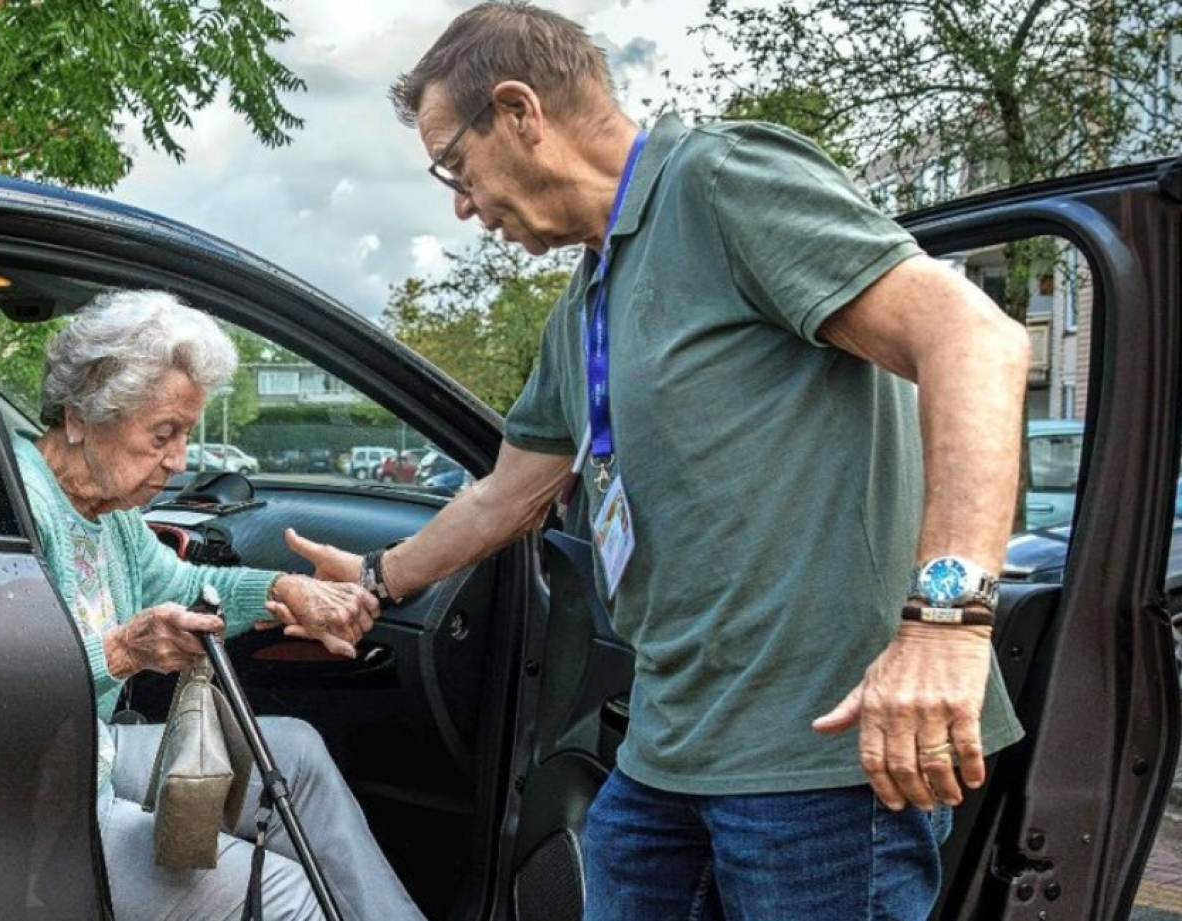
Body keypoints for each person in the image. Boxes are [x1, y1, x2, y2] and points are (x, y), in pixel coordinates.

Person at [285, 3, 1031, 920]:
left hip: (817, 757)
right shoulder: (590, 292)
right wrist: (371, 578)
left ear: (520, 111)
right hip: (669, 744)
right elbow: (508, 494)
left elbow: (975, 339)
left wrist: (946, 624)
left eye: (454, 163)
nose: (461, 203)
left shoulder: (721, 182)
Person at [15, 289, 428, 921]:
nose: (179, 462)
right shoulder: (19, 506)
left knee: (294, 752)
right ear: (80, 415)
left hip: (87, 750)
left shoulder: (108, 513)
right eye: (163, 434)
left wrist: (280, 591)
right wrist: (124, 651)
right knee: (286, 895)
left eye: (185, 434)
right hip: (35, 797)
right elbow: (5, 683)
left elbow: (180, 587)